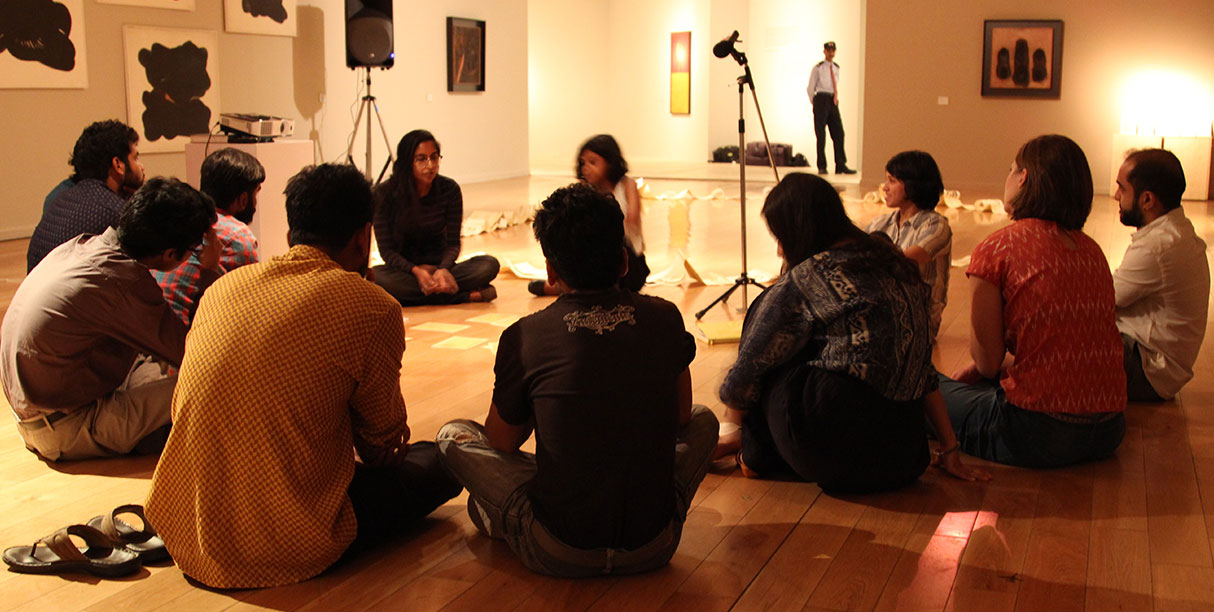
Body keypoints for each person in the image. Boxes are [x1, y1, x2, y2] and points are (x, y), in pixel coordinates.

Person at [145, 164, 462, 590]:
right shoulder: (371, 306)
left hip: (190, 528)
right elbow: (381, 447)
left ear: (291, 232)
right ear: (363, 236)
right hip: (289, 538)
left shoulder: (224, 288)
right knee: (442, 460)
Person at [437, 183, 717, 577]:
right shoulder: (666, 317)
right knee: (706, 420)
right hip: (654, 545)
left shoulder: (525, 336)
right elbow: (682, 416)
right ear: (623, 261)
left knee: (453, 435)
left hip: (558, 549)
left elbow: (502, 442)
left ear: (551, 271)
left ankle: (507, 511)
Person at [714, 173, 984, 492]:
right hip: (905, 457)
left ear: (799, 230)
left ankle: (749, 448)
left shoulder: (810, 276)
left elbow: (750, 366)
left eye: (781, 236)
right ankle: (756, 450)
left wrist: (729, 424)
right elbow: (921, 368)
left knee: (769, 320)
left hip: (832, 454)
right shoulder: (895, 264)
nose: (779, 250)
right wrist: (949, 447)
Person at [939, 135, 1127, 468]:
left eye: (1010, 169)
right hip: (1109, 430)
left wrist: (982, 370)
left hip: (1036, 434)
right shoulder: (1092, 251)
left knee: (922, 386)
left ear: (1023, 177)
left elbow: (987, 363)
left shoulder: (998, 248)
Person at [2, 178, 217, 461]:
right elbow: (193, 355)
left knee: (152, 362)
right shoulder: (124, 280)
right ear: (169, 253)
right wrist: (209, 269)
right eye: (194, 249)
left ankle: (147, 433)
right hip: (63, 427)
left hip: (33, 412)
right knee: (208, 381)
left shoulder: (83, 245)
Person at [1111, 148, 1210, 401]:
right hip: (1157, 364)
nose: (1116, 196)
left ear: (1147, 200)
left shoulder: (1157, 247)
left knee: (1063, 335)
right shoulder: (1175, 231)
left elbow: (1102, 299)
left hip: (1148, 371)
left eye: (1122, 188)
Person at [372, 129, 499, 306]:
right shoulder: (384, 194)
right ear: (407, 162)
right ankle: (462, 296)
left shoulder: (449, 190)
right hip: (406, 272)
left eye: (434, 157)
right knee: (376, 276)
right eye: (421, 159)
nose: (430, 165)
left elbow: (453, 244)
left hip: (442, 268)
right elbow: (387, 251)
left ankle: (423, 294)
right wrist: (416, 271)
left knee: (488, 265)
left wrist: (442, 269)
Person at [153, 148, 264, 324]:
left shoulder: (177, 219)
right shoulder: (237, 235)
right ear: (243, 199)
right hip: (188, 334)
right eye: (256, 193)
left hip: (150, 326)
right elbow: (251, 306)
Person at [529, 134, 650, 296]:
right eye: (583, 163)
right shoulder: (584, 190)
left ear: (610, 162)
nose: (586, 168)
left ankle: (563, 287)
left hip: (624, 257)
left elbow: (632, 220)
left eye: (593, 162)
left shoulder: (627, 185)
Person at [28, 120, 146, 272]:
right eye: (135, 158)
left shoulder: (64, 197)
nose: (141, 166)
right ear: (118, 165)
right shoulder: (114, 211)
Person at [865, 151, 951, 338]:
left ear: (913, 185)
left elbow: (902, 260)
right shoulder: (881, 223)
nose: (885, 188)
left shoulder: (937, 226)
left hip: (919, 321)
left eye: (892, 181)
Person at [806, 42, 855, 175]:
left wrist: (834, 100)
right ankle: (822, 165)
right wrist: (816, 103)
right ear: (824, 51)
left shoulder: (836, 68)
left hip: (832, 100)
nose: (831, 53)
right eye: (828, 50)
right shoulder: (818, 68)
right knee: (821, 135)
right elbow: (810, 88)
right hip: (821, 99)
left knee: (839, 133)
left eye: (833, 50)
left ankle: (841, 164)